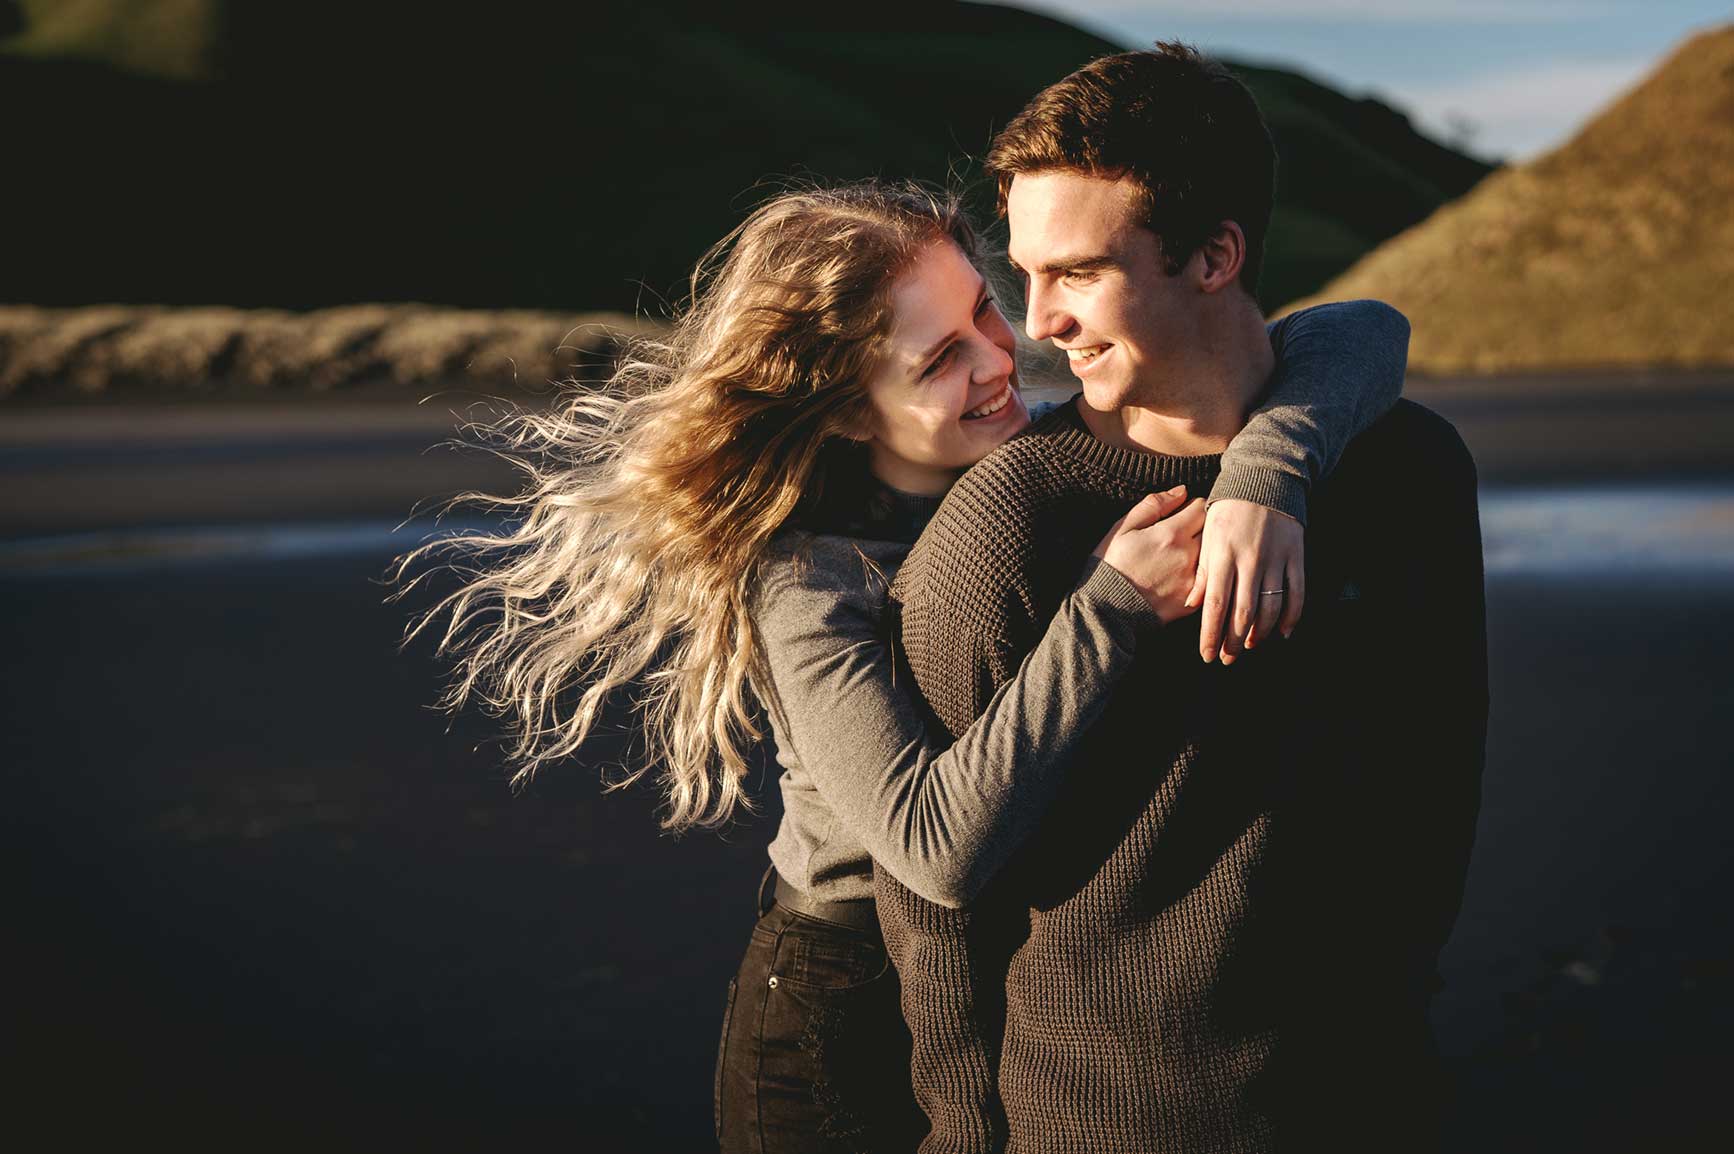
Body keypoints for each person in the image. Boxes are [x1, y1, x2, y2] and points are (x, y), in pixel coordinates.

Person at [397, 181, 1411, 1153]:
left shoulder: (1020, 451)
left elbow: (1360, 330)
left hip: (990, 989)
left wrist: (1266, 481)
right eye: (940, 359)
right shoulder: (811, 581)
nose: (1000, 359)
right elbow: (934, 847)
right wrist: (1108, 608)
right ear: (847, 409)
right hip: (841, 1012)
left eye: (984, 311)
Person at [874, 46, 1489, 1154]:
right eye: (1027, 274)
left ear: (1216, 256)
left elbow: (1437, 775)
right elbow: (933, 909)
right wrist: (965, 1134)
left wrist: (1396, 1009)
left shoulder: (1411, 470)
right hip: (1097, 1124)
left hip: (1377, 1097)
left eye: (1078, 273)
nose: (1039, 321)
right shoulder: (1008, 521)